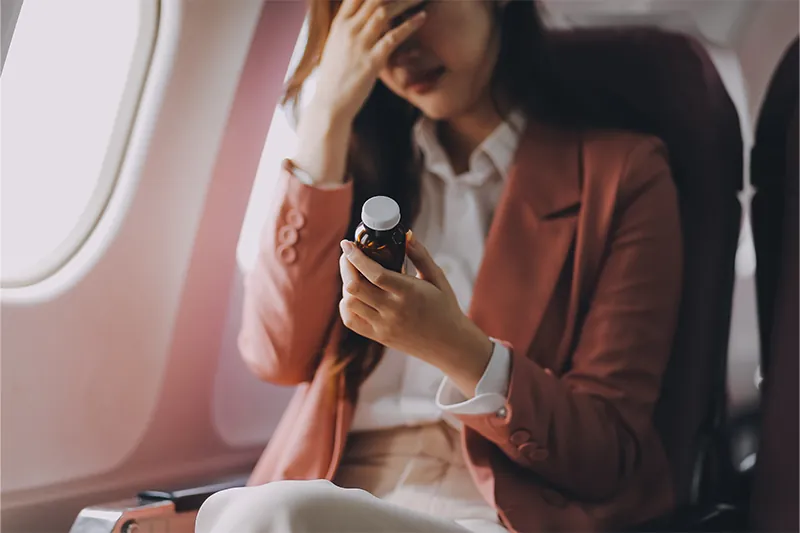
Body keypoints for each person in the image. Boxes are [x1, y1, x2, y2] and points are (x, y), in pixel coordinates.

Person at [195, 0, 683, 531]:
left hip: (491, 509)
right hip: (337, 483)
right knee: (238, 511)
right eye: (374, 24)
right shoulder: (357, 170)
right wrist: (325, 117)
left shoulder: (621, 176)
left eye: (412, 8)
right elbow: (275, 355)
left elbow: (605, 454)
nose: (401, 50)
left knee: (277, 514)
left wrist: (456, 348)